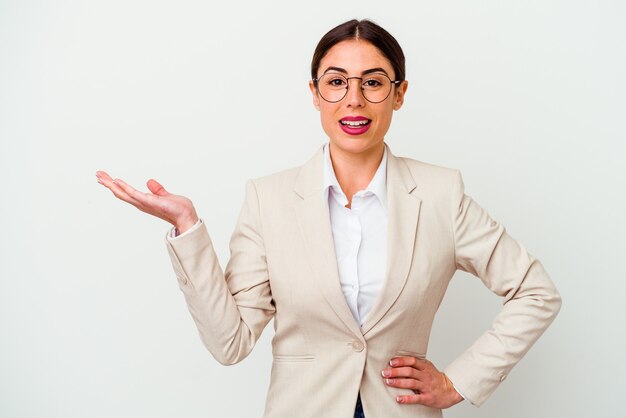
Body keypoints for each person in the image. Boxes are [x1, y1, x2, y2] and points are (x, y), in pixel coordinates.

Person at [96, 19, 561, 418]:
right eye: (336, 81)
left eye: (373, 82)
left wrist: (459, 381)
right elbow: (230, 342)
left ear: (398, 95)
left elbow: (536, 292)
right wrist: (188, 228)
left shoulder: (441, 194)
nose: (353, 99)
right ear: (315, 94)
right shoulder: (268, 199)